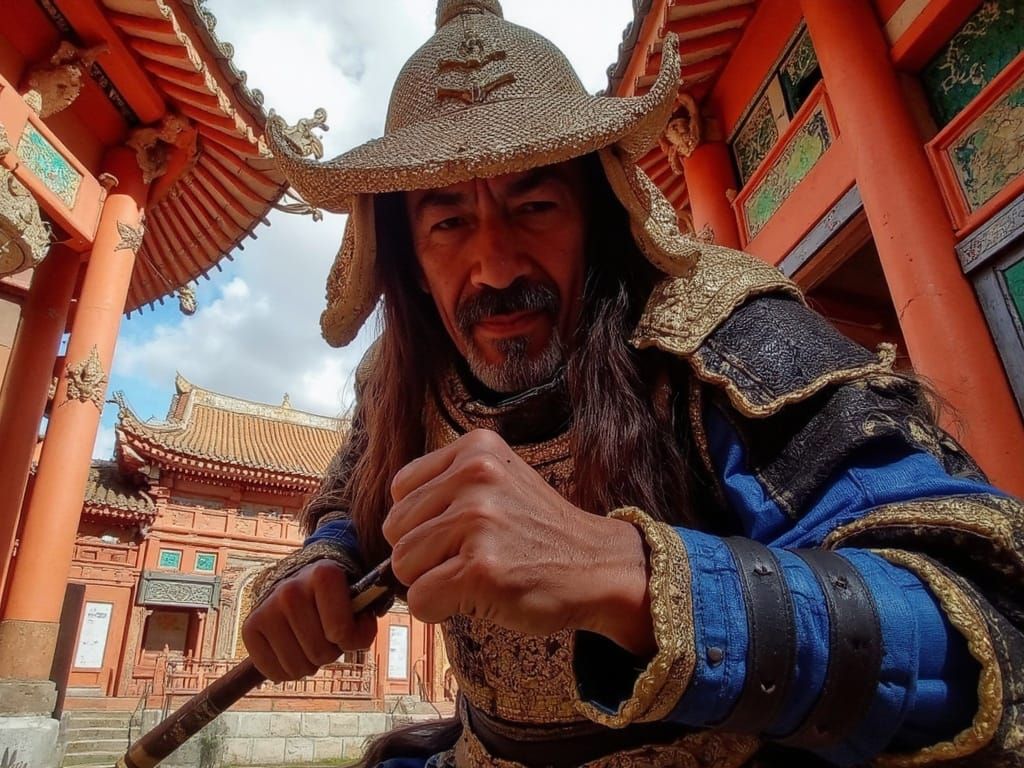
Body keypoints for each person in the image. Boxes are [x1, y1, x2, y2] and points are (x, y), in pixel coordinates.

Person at [245, 1, 1024, 766]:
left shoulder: (723, 331)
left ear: (601, 212)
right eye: (448, 223)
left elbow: (985, 618)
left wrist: (630, 575)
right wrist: (324, 563)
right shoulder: (399, 382)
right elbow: (351, 509)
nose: (496, 267)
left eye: (536, 205)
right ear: (407, 262)